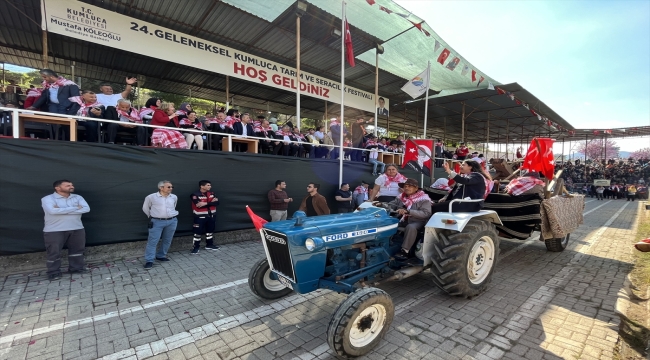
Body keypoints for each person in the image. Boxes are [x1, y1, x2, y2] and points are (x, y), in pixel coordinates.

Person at [41, 180, 90, 280]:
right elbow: (52, 211)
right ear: (57, 188)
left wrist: (61, 210)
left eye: (72, 185)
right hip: (54, 230)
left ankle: (76, 268)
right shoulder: (47, 199)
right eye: (68, 185)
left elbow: (86, 209)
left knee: (77, 250)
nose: (71, 186)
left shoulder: (78, 197)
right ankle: (53, 272)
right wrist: (76, 208)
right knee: (54, 252)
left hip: (77, 228)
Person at [375, 178, 431, 261]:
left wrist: (408, 211)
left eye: (410, 186)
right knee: (385, 223)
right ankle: (382, 245)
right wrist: (382, 204)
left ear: (416, 189)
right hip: (402, 220)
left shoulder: (424, 199)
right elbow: (392, 205)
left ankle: (405, 251)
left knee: (411, 227)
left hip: (418, 221)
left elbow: (426, 214)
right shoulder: (401, 197)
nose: (407, 188)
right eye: (405, 186)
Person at [142, 180, 179, 269]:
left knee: (167, 239)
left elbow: (174, 206)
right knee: (153, 241)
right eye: (168, 187)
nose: (171, 188)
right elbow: (145, 208)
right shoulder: (151, 197)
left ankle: (161, 255)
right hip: (157, 222)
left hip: (172, 221)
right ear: (161, 188)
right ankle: (149, 260)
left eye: (172, 187)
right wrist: (153, 216)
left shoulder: (174, 197)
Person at [190, 180, 220, 254]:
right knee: (197, 233)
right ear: (202, 186)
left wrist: (205, 203)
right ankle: (196, 247)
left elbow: (217, 203)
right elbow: (198, 205)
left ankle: (209, 245)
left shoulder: (212, 193)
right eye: (208, 185)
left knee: (210, 232)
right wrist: (211, 203)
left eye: (210, 185)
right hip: (199, 217)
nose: (210, 187)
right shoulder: (194, 195)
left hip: (211, 216)